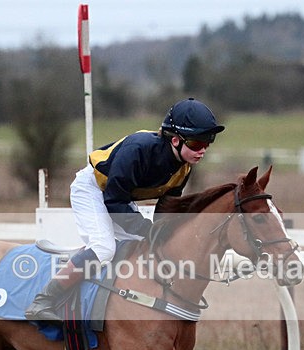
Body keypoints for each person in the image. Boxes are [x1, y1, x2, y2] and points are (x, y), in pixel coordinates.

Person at [25, 97, 225, 322]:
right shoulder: (138, 149)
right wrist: (147, 229)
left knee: (147, 247)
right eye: (196, 144)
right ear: (175, 140)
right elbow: (114, 200)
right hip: (93, 189)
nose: (202, 150)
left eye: (208, 143)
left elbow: (166, 207)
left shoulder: (183, 168)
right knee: (103, 249)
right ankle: (44, 300)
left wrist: (162, 233)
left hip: (118, 197)